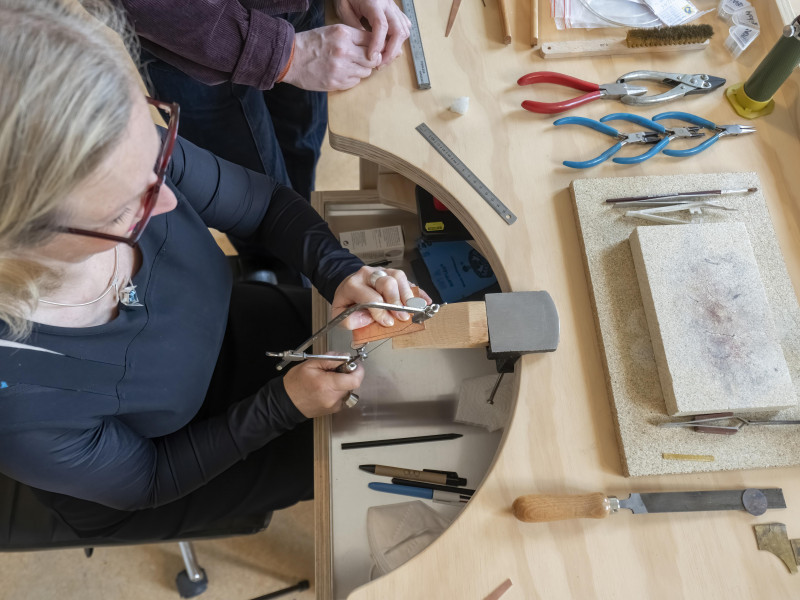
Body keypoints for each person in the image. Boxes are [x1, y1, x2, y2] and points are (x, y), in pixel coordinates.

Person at [0, 0, 427, 539]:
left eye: (156, 161)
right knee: (361, 456)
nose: (171, 204)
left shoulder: (108, 147)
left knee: (404, 390)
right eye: (122, 209)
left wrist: (339, 271)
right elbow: (149, 480)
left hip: (213, 325)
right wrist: (283, 405)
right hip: (164, 464)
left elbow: (267, 205)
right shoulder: (16, 399)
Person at [122, 0, 411, 204]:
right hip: (189, 42)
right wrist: (279, 54)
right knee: (250, 197)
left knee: (301, 147)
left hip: (304, 11)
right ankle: (281, 275)